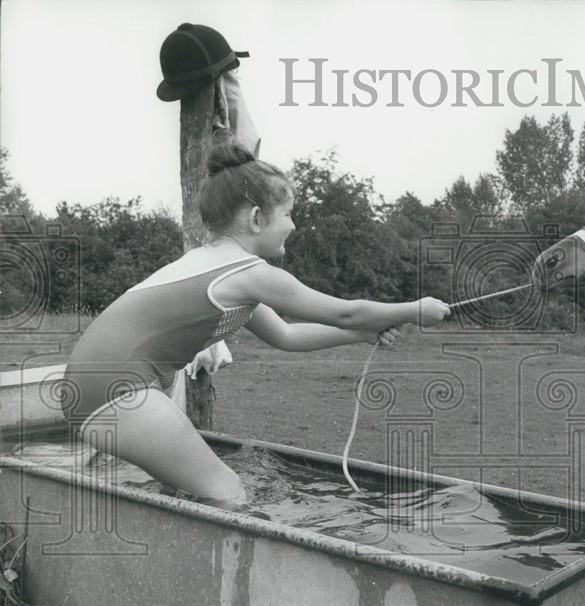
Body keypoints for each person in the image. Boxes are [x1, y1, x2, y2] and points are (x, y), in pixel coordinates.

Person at [60, 143, 450, 509]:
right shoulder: (249, 272)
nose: (294, 226)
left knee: (185, 489)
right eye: (287, 214)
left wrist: (360, 335)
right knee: (229, 494)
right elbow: (345, 311)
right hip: (119, 392)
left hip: (97, 389)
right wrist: (414, 309)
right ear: (256, 218)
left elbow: (287, 335)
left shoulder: (217, 267)